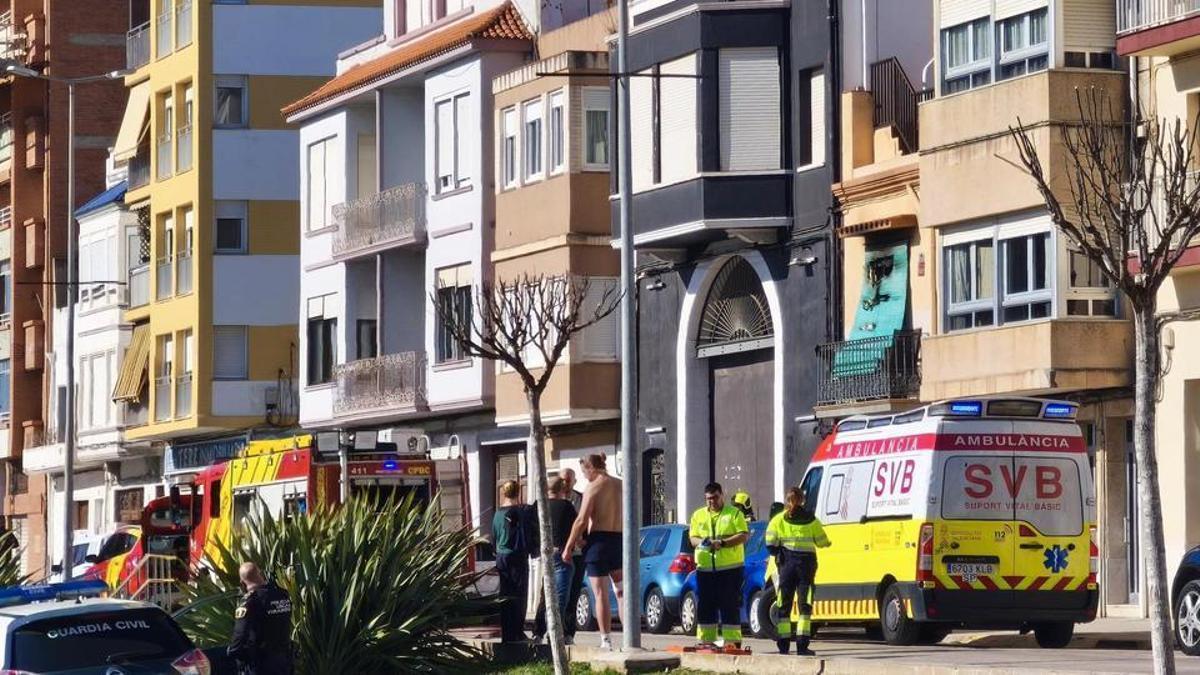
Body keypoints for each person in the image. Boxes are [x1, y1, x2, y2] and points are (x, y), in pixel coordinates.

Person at [562, 453, 623, 651]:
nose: (584, 476)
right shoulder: (621, 484)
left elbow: (581, 520)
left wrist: (569, 546)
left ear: (591, 468)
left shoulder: (593, 487)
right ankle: (630, 636)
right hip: (619, 539)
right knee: (621, 591)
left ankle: (606, 640)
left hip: (599, 542)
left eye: (584, 471)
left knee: (600, 593)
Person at [765, 485, 831, 656]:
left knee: (783, 605)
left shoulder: (778, 520)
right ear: (802, 500)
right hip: (806, 568)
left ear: (787, 500)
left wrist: (779, 554)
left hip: (786, 566)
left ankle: (784, 645)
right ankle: (802, 646)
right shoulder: (812, 520)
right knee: (804, 607)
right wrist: (827, 543)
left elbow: (770, 544)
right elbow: (822, 541)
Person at [688, 482, 750, 649]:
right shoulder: (698, 515)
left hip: (730, 569)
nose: (711, 502)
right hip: (705, 569)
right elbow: (692, 538)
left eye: (715, 498)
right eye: (708, 499)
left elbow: (744, 535)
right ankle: (707, 642)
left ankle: (732, 642)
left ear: (722, 495)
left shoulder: (734, 513)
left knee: (729, 605)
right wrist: (702, 542)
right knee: (706, 606)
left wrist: (722, 543)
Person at [532, 477, 578, 644]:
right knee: (561, 596)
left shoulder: (538, 505)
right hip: (561, 553)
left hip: (545, 554)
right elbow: (577, 527)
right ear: (562, 490)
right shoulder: (566, 506)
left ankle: (538, 632)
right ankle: (555, 632)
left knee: (546, 593)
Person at [228, 562, 294, 675]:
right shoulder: (282, 594)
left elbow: (240, 634)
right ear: (261, 575)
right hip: (284, 661)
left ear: (242, 583)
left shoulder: (250, 602)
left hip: (261, 663)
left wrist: (232, 652)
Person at [493, 480, 531, 643]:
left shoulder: (497, 513)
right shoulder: (521, 512)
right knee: (519, 594)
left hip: (501, 555)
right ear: (518, 492)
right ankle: (517, 631)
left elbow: (493, 536)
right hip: (517, 555)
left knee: (505, 594)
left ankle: (506, 633)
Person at [557, 466, 586, 641]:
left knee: (573, 593)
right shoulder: (552, 500)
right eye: (563, 480)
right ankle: (542, 630)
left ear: (574, 481)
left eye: (569, 480)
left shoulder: (581, 499)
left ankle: (568, 633)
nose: (566, 484)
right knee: (553, 594)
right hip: (557, 554)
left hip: (577, 553)